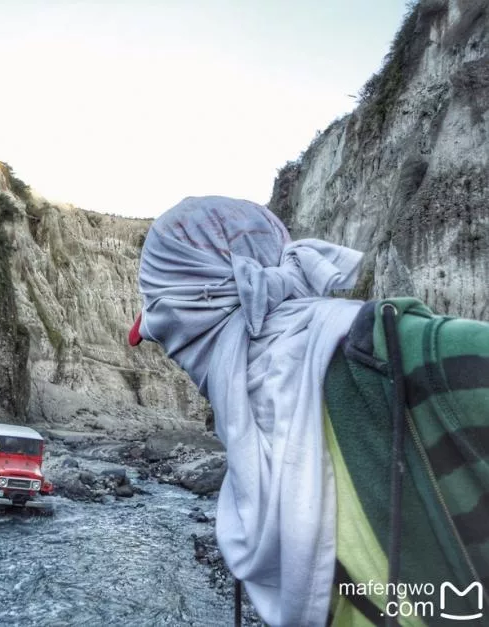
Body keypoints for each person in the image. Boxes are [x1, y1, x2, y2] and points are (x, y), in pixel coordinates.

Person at [128, 196, 489, 626]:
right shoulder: (257, 418)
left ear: (192, 314)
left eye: (164, 334)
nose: (174, 356)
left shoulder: (417, 356)